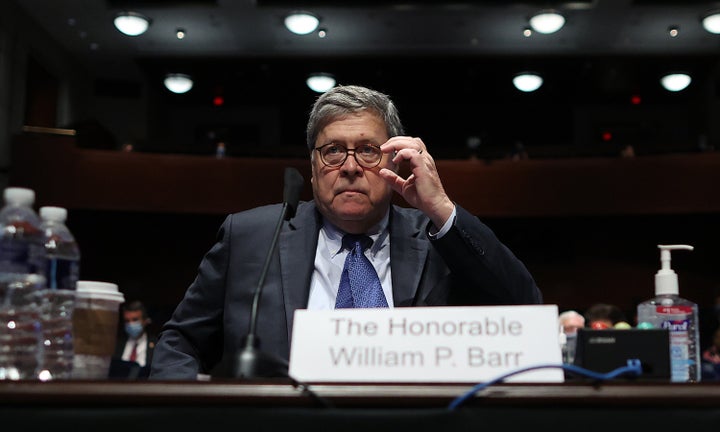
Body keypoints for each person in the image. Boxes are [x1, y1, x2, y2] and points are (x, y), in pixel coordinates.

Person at [149, 85, 543, 380]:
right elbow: (179, 342)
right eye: (334, 150)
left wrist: (440, 207)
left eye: (368, 150)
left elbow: (525, 307)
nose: (351, 166)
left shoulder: (438, 239)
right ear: (313, 164)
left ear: (395, 159)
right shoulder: (252, 237)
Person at [112, 300, 157, 378]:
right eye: (127, 321)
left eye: (135, 320)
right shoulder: (115, 344)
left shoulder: (157, 345)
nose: (130, 324)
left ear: (145, 321)